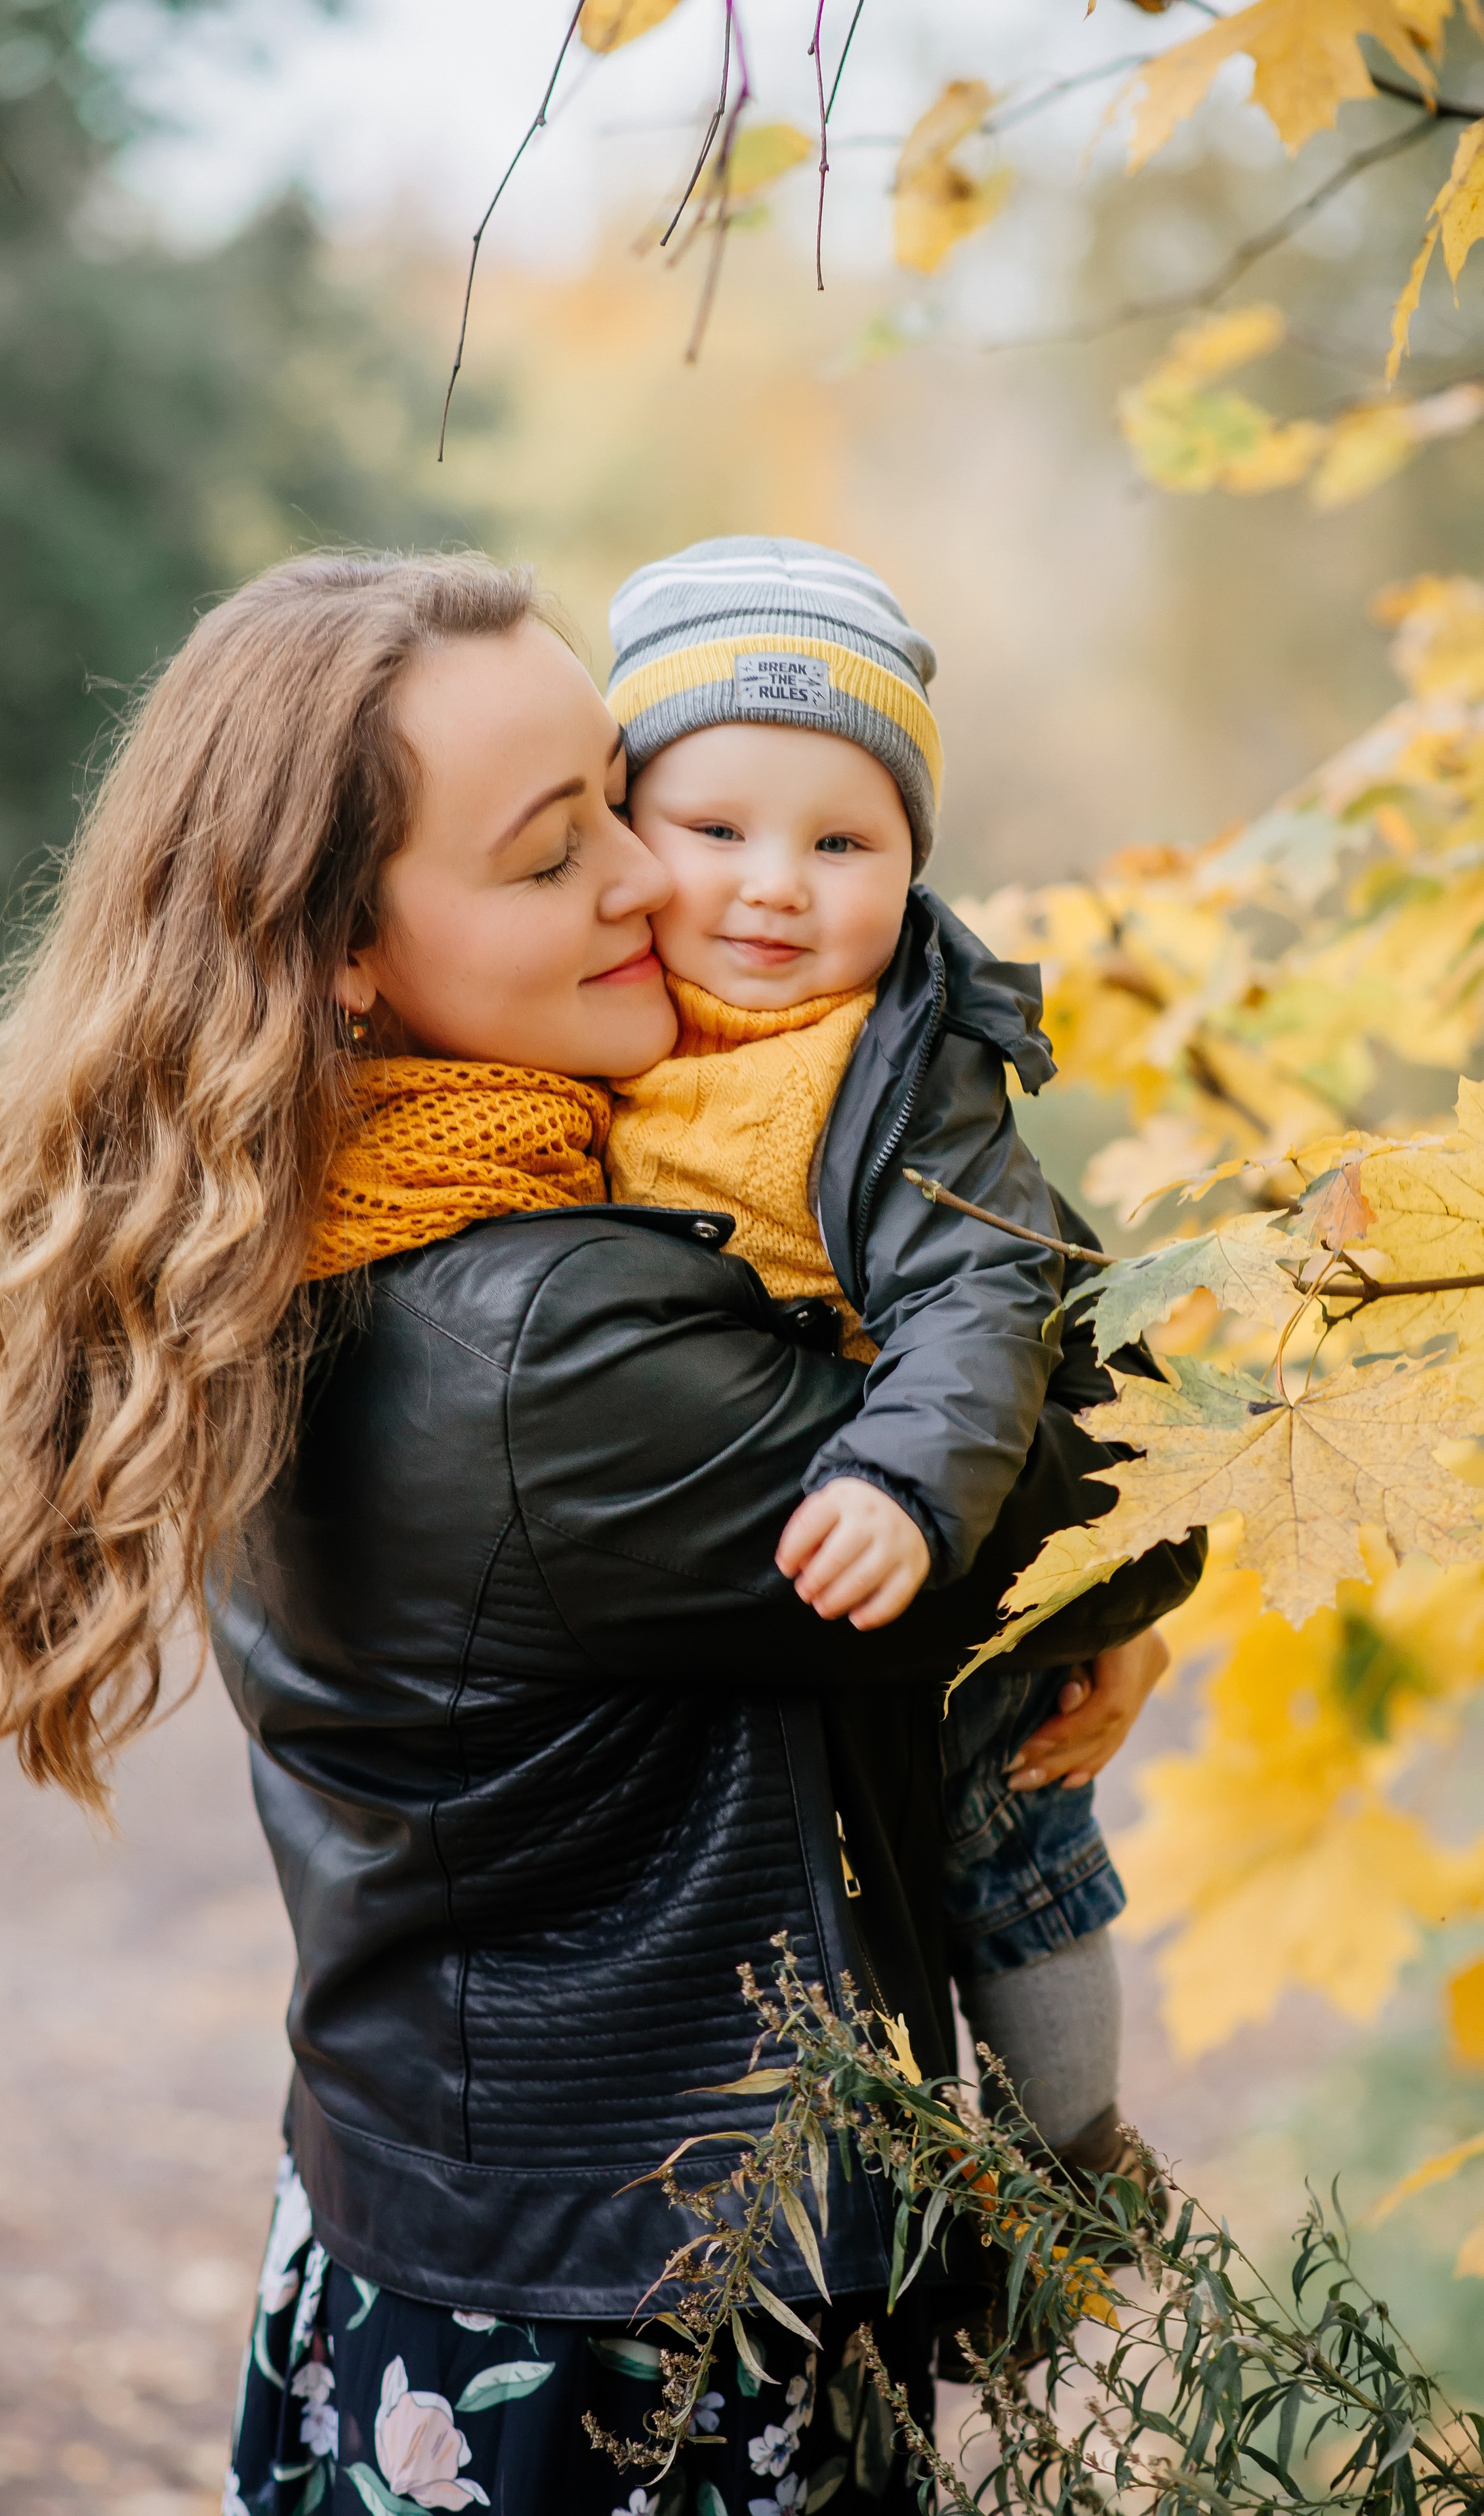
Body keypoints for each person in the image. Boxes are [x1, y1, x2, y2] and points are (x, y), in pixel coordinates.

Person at [0, 550, 1200, 2516]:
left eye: (622, 793)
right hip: (627, 2332)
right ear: (341, 947)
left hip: (450, 2216)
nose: (646, 878)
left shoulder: (329, 1196)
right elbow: (1080, 1474)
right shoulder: (538, 1341)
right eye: (551, 855)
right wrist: (1122, 1574)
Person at [604, 538, 1161, 2227]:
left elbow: (986, 1294)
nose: (774, 885)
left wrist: (911, 1486)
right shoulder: (598, 1021)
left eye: (840, 842)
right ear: (623, 834)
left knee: (1013, 1853)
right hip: (751, 1596)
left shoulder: (910, 1068)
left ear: (913, 864)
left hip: (931, 1500)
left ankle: (1074, 2167)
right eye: (714, 831)